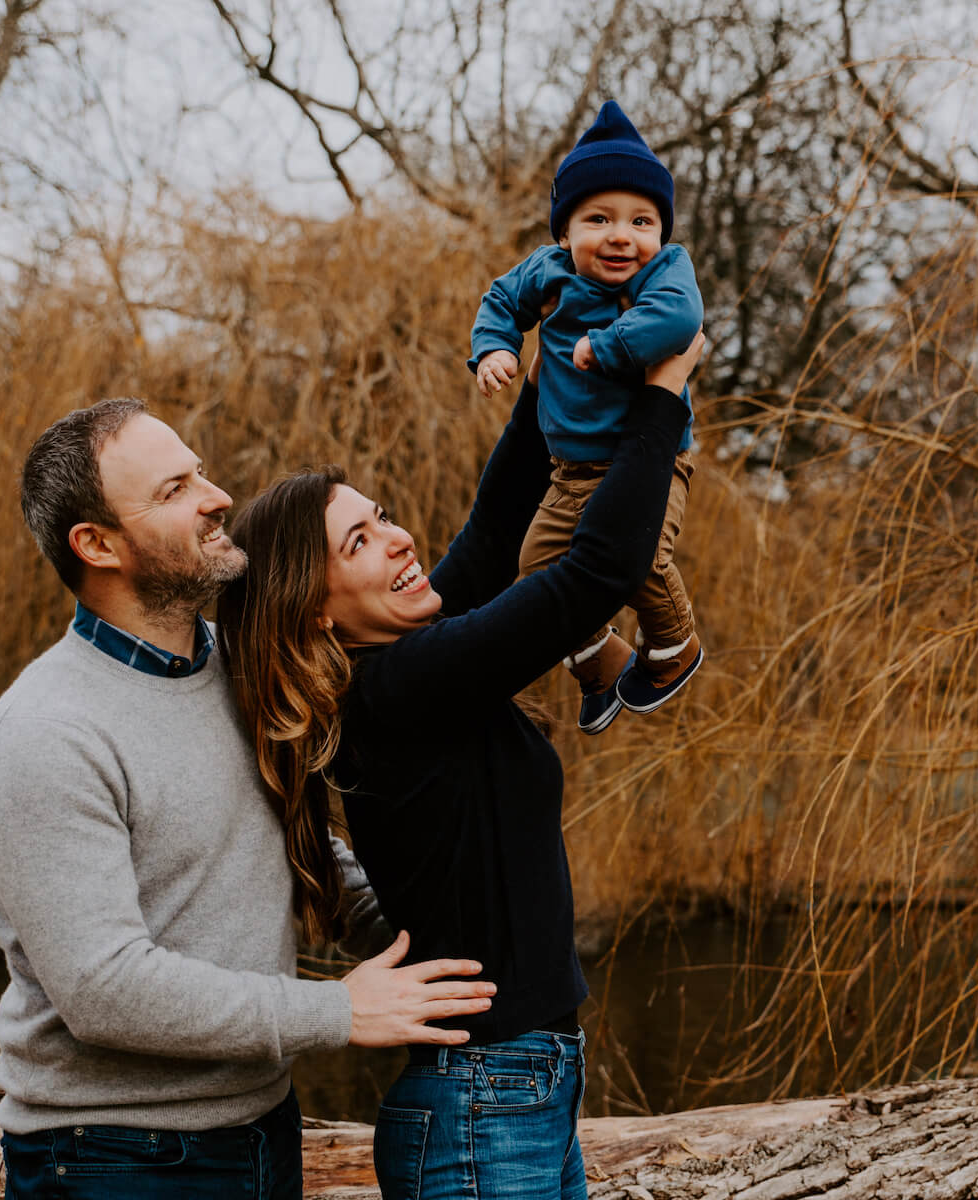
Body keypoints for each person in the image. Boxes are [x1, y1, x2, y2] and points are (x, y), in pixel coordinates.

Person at [0, 397, 498, 1200]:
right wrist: (337, 1012)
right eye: (175, 489)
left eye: (201, 472)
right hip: (115, 1162)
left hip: (261, 1130)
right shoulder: (45, 733)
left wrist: (433, 931)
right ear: (98, 544)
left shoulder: (235, 667)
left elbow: (298, 847)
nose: (217, 497)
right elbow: (104, 990)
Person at [217, 333, 705, 1200]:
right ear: (317, 610)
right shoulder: (398, 688)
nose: (400, 540)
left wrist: (560, 357)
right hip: (487, 1101)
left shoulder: (406, 671)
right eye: (360, 541)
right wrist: (663, 396)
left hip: (519, 1090)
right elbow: (596, 572)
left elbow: (492, 534)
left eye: (384, 515)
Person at [468, 99, 705, 735]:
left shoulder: (666, 272)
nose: (622, 235)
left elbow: (682, 321)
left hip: (653, 461)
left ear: (661, 232)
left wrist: (609, 345)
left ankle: (676, 643)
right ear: (565, 233)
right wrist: (494, 347)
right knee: (537, 573)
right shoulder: (547, 272)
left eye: (642, 220)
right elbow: (499, 299)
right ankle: (601, 663)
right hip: (570, 471)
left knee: (639, 558)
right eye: (599, 218)